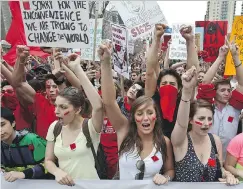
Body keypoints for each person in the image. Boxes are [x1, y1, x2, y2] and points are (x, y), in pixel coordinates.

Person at [99, 42, 175, 184]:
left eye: (149, 113)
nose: (145, 118)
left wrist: (166, 177)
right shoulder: (124, 132)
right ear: (133, 117)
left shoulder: (164, 142)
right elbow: (109, 102)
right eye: (139, 113)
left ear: (156, 117)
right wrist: (106, 63)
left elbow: (170, 170)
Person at [171, 66, 238, 184]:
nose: (206, 124)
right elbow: (181, 124)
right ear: (190, 120)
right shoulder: (181, 140)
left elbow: (219, 168)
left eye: (209, 119)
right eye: (201, 118)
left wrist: (227, 174)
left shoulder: (215, 141)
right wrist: (186, 92)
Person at [44, 54, 104, 186]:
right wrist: (57, 172)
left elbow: (99, 106)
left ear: (77, 110)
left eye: (63, 107)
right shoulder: (55, 127)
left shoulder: (90, 127)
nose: (56, 111)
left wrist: (77, 68)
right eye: (56, 106)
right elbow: (48, 160)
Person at [145, 24, 199, 138]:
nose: (168, 86)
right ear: (158, 88)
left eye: (172, 84)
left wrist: (190, 41)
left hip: (179, 149)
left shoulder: (184, 101)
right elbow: (150, 72)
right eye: (164, 84)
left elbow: (193, 71)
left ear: (179, 88)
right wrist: (156, 38)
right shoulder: (153, 99)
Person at [202, 37, 243, 159]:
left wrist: (235, 56)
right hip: (206, 156)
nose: (227, 93)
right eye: (222, 90)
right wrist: (221, 57)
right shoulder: (206, 107)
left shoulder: (235, 107)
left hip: (229, 158)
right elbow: (205, 82)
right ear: (214, 92)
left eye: (229, 90)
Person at [1, 107, 47, 182]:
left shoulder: (32, 140)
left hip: (39, 184)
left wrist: (23, 174)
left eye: (2, 125)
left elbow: (49, 164)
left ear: (13, 123)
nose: (0, 130)